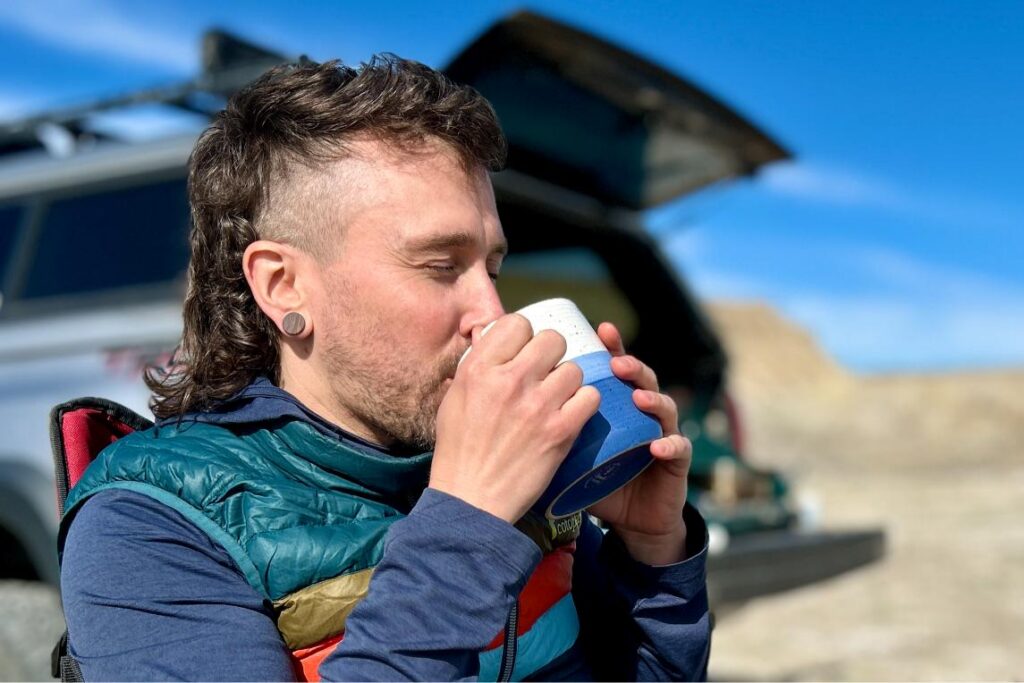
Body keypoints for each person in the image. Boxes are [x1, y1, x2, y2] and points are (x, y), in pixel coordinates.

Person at [58, 56, 711, 681]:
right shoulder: (149, 526)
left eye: (492, 267)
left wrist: (653, 554)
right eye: (440, 265)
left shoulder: (519, 476)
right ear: (284, 286)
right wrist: (468, 519)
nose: (494, 314)